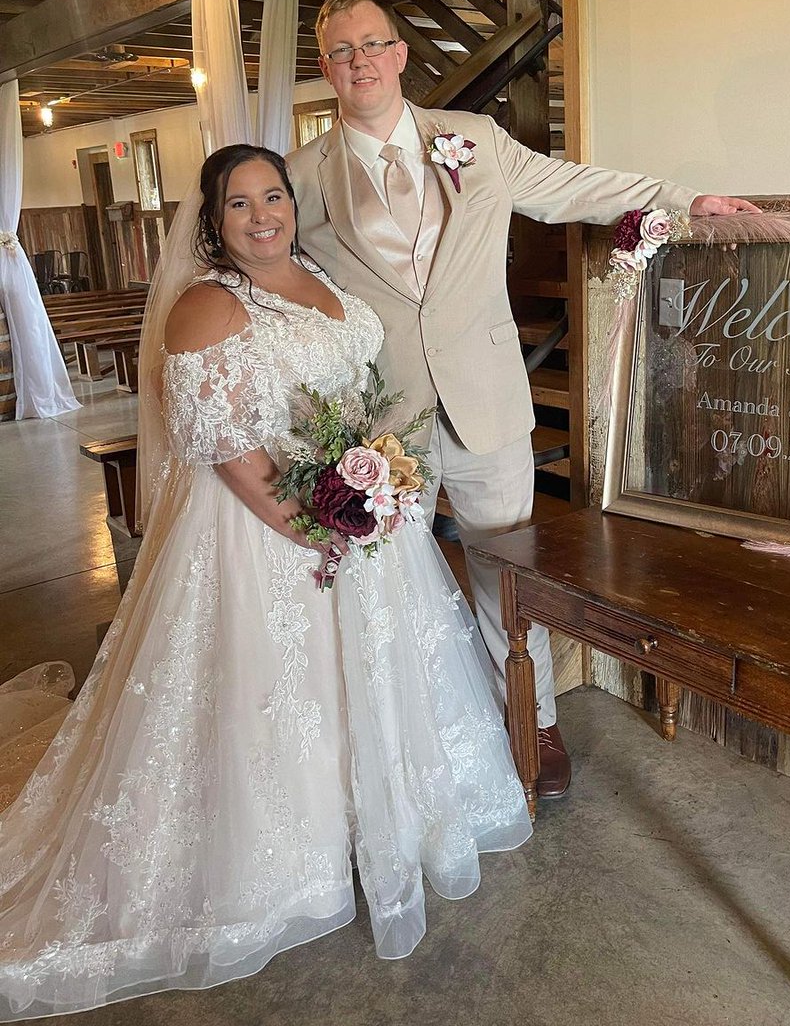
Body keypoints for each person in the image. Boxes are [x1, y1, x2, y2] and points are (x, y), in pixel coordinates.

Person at [0, 145, 531, 1021]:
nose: (261, 216)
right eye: (239, 204)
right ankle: (300, 856)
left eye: (273, 196)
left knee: (377, 678)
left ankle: (387, 821)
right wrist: (315, 526)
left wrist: (375, 489)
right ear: (212, 223)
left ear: (292, 203)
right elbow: (228, 451)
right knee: (277, 695)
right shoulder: (207, 307)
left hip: (358, 517)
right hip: (272, 537)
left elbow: (357, 389)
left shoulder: (319, 275)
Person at [287, 0, 760, 797]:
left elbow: (571, 186)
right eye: (341, 51)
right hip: (378, 422)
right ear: (327, 69)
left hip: (488, 402)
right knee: (384, 581)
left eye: (373, 44)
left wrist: (681, 199)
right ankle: (404, 732)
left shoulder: (473, 141)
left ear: (400, 54)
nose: (360, 61)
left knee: (506, 572)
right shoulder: (300, 176)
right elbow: (265, 268)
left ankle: (531, 719)